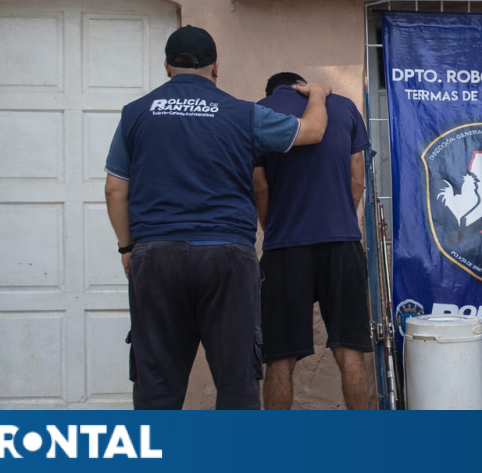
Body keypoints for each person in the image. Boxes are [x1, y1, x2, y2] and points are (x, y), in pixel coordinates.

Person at [103, 26, 331, 410]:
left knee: (156, 385)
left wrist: (127, 248)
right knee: (236, 382)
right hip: (227, 258)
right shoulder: (243, 114)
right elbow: (312, 131)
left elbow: (114, 190)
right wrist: (319, 94)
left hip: (156, 256)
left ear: (167, 66)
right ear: (216, 67)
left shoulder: (136, 113)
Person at [253, 72, 373, 409]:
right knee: (350, 350)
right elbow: (358, 179)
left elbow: (259, 186)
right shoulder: (345, 108)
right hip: (342, 242)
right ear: (302, 85)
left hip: (285, 246)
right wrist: (342, 217)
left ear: (272, 91)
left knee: (280, 356)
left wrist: (273, 227)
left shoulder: (261, 111)